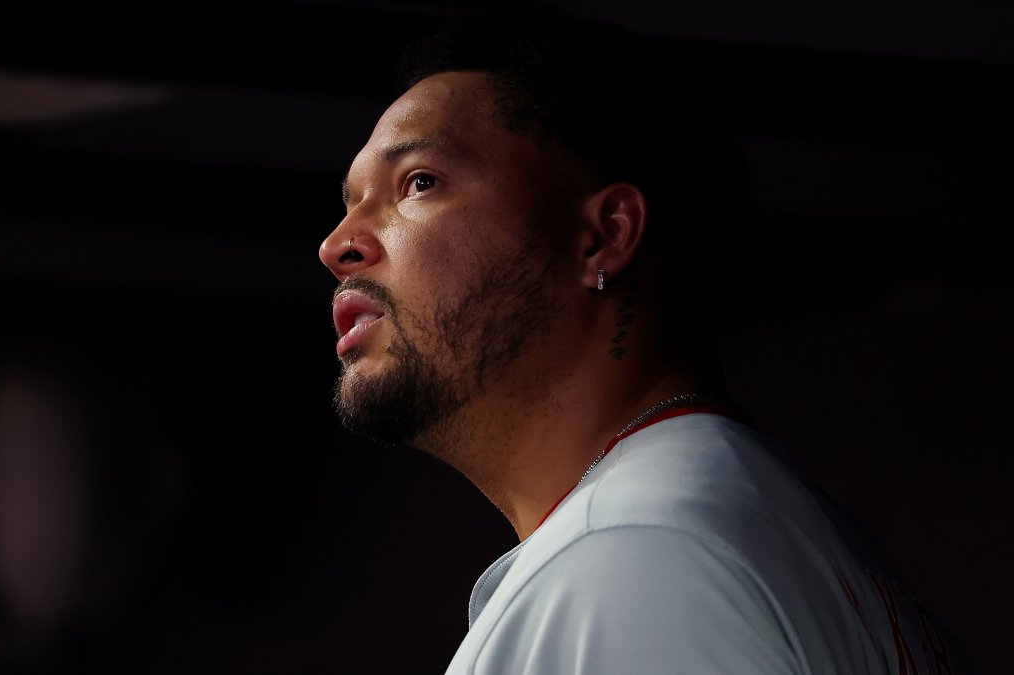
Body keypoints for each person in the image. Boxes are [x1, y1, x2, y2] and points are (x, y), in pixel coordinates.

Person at [317, 9, 969, 674]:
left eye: (418, 182)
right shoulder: (763, 530)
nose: (337, 245)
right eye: (350, 202)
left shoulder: (635, 553)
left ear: (605, 236)